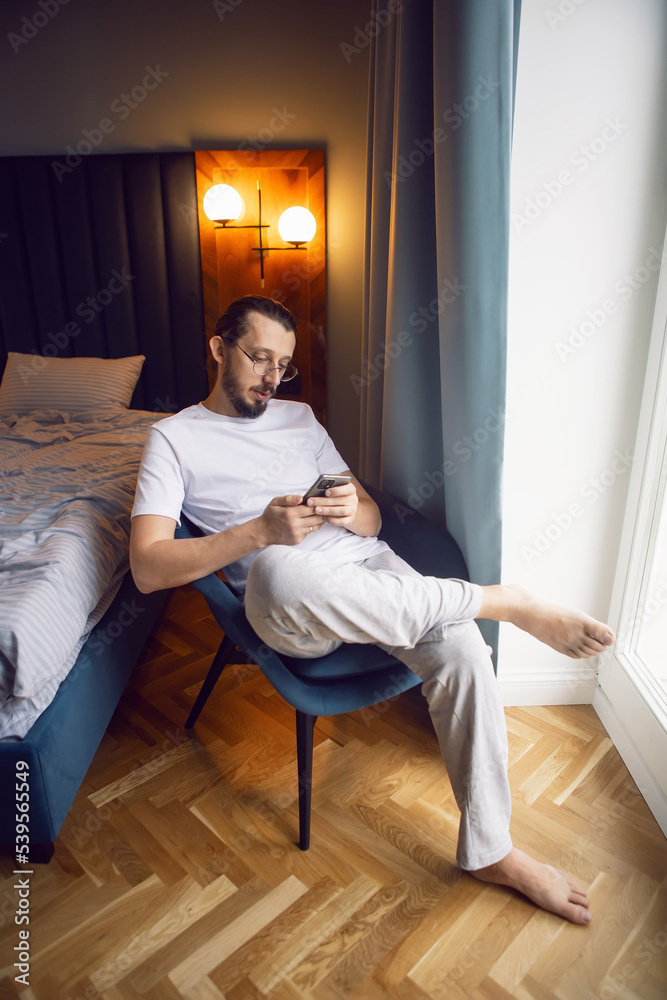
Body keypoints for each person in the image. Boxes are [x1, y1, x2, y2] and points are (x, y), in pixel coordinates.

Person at [130, 294, 615, 925]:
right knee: (278, 569)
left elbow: (372, 517)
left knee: (465, 651)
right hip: (292, 605)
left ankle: (493, 850)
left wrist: (347, 511)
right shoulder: (172, 439)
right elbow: (146, 567)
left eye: (283, 366)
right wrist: (259, 532)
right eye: (259, 359)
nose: (272, 379)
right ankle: (500, 602)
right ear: (219, 348)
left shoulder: (300, 418)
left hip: (369, 572)